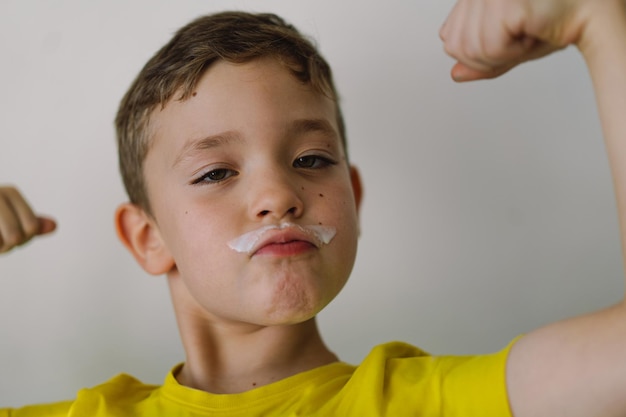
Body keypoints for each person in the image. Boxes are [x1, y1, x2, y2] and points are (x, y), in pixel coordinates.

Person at [2, 0, 626, 415]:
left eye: (310, 160)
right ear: (147, 238)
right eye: (217, 171)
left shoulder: (417, 402)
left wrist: (600, 22)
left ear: (351, 197)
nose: (278, 196)